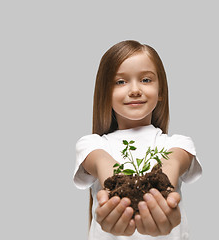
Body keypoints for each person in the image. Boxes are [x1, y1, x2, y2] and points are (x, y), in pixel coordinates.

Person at [73, 40, 202, 239]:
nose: (134, 90)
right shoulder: (93, 144)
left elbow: (172, 163)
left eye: (146, 80)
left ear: (161, 92)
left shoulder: (178, 144)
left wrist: (162, 198)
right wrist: (120, 197)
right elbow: (105, 166)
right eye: (121, 82)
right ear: (105, 93)